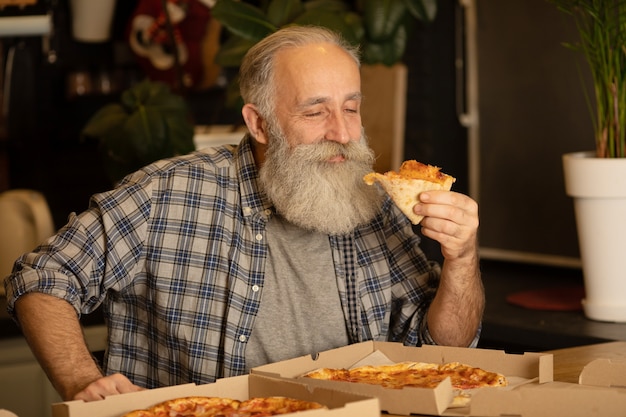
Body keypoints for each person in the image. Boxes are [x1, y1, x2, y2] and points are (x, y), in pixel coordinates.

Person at [4, 25, 483, 402]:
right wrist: (81, 381)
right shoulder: (167, 194)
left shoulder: (376, 204)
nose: (342, 132)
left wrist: (461, 260)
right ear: (258, 122)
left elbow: (441, 354)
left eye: (351, 108)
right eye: (316, 112)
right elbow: (43, 277)